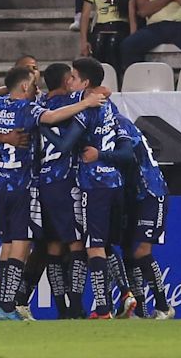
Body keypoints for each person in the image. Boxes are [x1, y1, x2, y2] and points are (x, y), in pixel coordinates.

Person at [0, 67, 106, 321]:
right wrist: (88, 103)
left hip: (0, 182)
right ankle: (7, 309)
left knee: (5, 245)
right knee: (21, 244)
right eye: (33, 85)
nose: (38, 89)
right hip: (22, 184)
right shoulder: (28, 109)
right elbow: (53, 117)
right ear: (24, 87)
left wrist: (11, 85)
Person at [41, 57, 134, 319]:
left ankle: (102, 309)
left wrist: (42, 127)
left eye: (73, 76)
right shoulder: (107, 104)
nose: (69, 80)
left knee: (92, 246)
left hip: (94, 183)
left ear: (85, 82)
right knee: (103, 244)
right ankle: (125, 294)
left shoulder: (84, 108)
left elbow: (64, 145)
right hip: (115, 180)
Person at [89, 113, 174, 319]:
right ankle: (140, 311)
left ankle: (164, 307)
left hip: (151, 192)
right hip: (130, 196)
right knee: (127, 251)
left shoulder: (119, 124)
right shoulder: (111, 124)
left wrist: (98, 155)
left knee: (141, 252)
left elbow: (128, 156)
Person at [79, 0, 137, 76]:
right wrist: (84, 41)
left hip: (121, 26)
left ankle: (116, 81)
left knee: (113, 43)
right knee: (98, 42)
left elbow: (131, 10)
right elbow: (85, 15)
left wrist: (133, 34)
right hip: (101, 26)